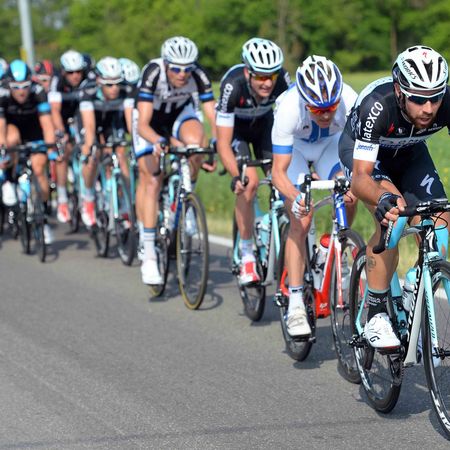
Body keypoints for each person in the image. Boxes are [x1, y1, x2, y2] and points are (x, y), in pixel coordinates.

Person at [339, 45, 450, 349]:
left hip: (411, 153)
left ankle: (416, 280)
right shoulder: (378, 105)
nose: (429, 108)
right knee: (395, 217)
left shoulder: (446, 102)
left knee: (441, 221)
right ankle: (375, 313)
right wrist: (381, 198)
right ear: (400, 91)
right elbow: (361, 178)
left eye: (436, 98)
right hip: (366, 159)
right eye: (418, 99)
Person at [271, 55, 358, 337]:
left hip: (330, 146)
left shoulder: (350, 100)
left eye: (331, 107)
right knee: (302, 219)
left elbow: (362, 157)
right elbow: (278, 173)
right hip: (295, 150)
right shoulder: (288, 108)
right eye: (317, 109)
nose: (326, 114)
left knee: (349, 194)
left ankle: (333, 250)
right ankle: (296, 302)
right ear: (304, 101)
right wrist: (295, 197)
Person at [134, 36, 216, 285]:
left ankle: (186, 198)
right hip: (150, 123)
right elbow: (143, 124)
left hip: (180, 114)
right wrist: (158, 141)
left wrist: (217, 144)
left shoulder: (197, 74)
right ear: (166, 64)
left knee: (197, 143)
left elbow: (213, 115)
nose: (183, 74)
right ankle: (149, 253)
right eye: (177, 69)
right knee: (152, 180)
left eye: (187, 69)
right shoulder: (153, 72)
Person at [216, 37, 290, 286]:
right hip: (236, 132)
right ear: (248, 72)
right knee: (249, 184)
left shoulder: (283, 81)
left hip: (264, 128)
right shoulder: (233, 85)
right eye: (260, 76)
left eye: (272, 75)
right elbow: (223, 143)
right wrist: (235, 175)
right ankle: (247, 254)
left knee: (282, 179)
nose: (267, 82)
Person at [0, 59, 56, 243]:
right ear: (9, 85)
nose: (21, 91)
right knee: (10, 139)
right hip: (12, 130)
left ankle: (43, 217)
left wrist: (51, 149)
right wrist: (3, 150)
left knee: (39, 170)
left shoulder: (38, 91)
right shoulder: (2, 93)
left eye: (25, 86)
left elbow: (47, 124)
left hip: (34, 132)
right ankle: (9, 180)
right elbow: (1, 126)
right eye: (16, 87)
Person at [78, 56, 134, 226]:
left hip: (112, 122)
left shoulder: (126, 90)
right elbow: (89, 126)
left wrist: (135, 143)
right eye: (109, 84)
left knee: (121, 156)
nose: (115, 88)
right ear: (99, 82)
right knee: (92, 156)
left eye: (117, 83)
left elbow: (131, 124)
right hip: (92, 122)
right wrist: (89, 147)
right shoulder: (88, 91)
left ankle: (125, 203)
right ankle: (88, 197)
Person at [48, 50, 96, 224]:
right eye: (70, 72)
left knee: (90, 150)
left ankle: (89, 196)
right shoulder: (57, 82)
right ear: (63, 72)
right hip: (63, 113)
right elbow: (54, 110)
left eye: (78, 71)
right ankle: (62, 198)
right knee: (63, 153)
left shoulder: (89, 78)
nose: (75, 76)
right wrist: (61, 132)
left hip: (83, 113)